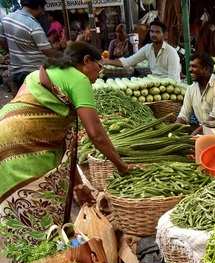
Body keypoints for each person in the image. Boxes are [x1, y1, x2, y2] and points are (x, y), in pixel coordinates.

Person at [0, 42, 128, 202]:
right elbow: (97, 135)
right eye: (99, 67)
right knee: (38, 204)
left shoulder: (46, 71)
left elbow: (67, 145)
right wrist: (122, 167)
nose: (99, 73)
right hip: (27, 142)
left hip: (5, 134)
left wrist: (78, 185)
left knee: (13, 205)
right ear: (87, 60)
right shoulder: (79, 79)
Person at [0, 0, 59, 90]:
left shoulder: (6, 20)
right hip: (34, 73)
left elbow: (2, 40)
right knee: (36, 102)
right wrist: (64, 57)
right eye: (43, 9)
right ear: (39, 7)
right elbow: (47, 51)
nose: (43, 13)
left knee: (21, 102)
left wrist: (13, 52)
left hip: (15, 71)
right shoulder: (33, 25)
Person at [103, 20, 180, 81]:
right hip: (155, 85)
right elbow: (127, 62)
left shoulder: (171, 52)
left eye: (157, 32)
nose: (154, 35)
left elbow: (173, 79)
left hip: (169, 88)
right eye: (152, 31)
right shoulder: (148, 48)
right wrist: (106, 61)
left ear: (164, 34)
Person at [177, 52, 215, 128]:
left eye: (194, 66)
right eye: (190, 66)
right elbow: (184, 115)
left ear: (206, 69)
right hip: (205, 131)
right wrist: (172, 130)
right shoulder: (191, 89)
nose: (190, 70)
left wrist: (194, 135)